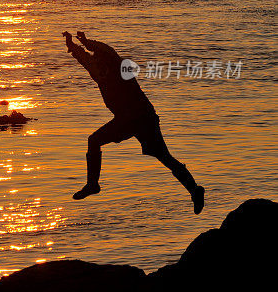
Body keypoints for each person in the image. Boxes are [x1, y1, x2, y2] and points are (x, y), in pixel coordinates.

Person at [63, 30, 205, 214]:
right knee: (163, 157)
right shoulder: (98, 71)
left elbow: (107, 51)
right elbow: (83, 58)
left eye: (100, 59)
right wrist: (71, 44)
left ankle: (92, 184)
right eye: (96, 61)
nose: (97, 63)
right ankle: (194, 190)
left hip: (138, 118)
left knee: (97, 141)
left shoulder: (119, 65)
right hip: (137, 118)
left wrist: (88, 42)